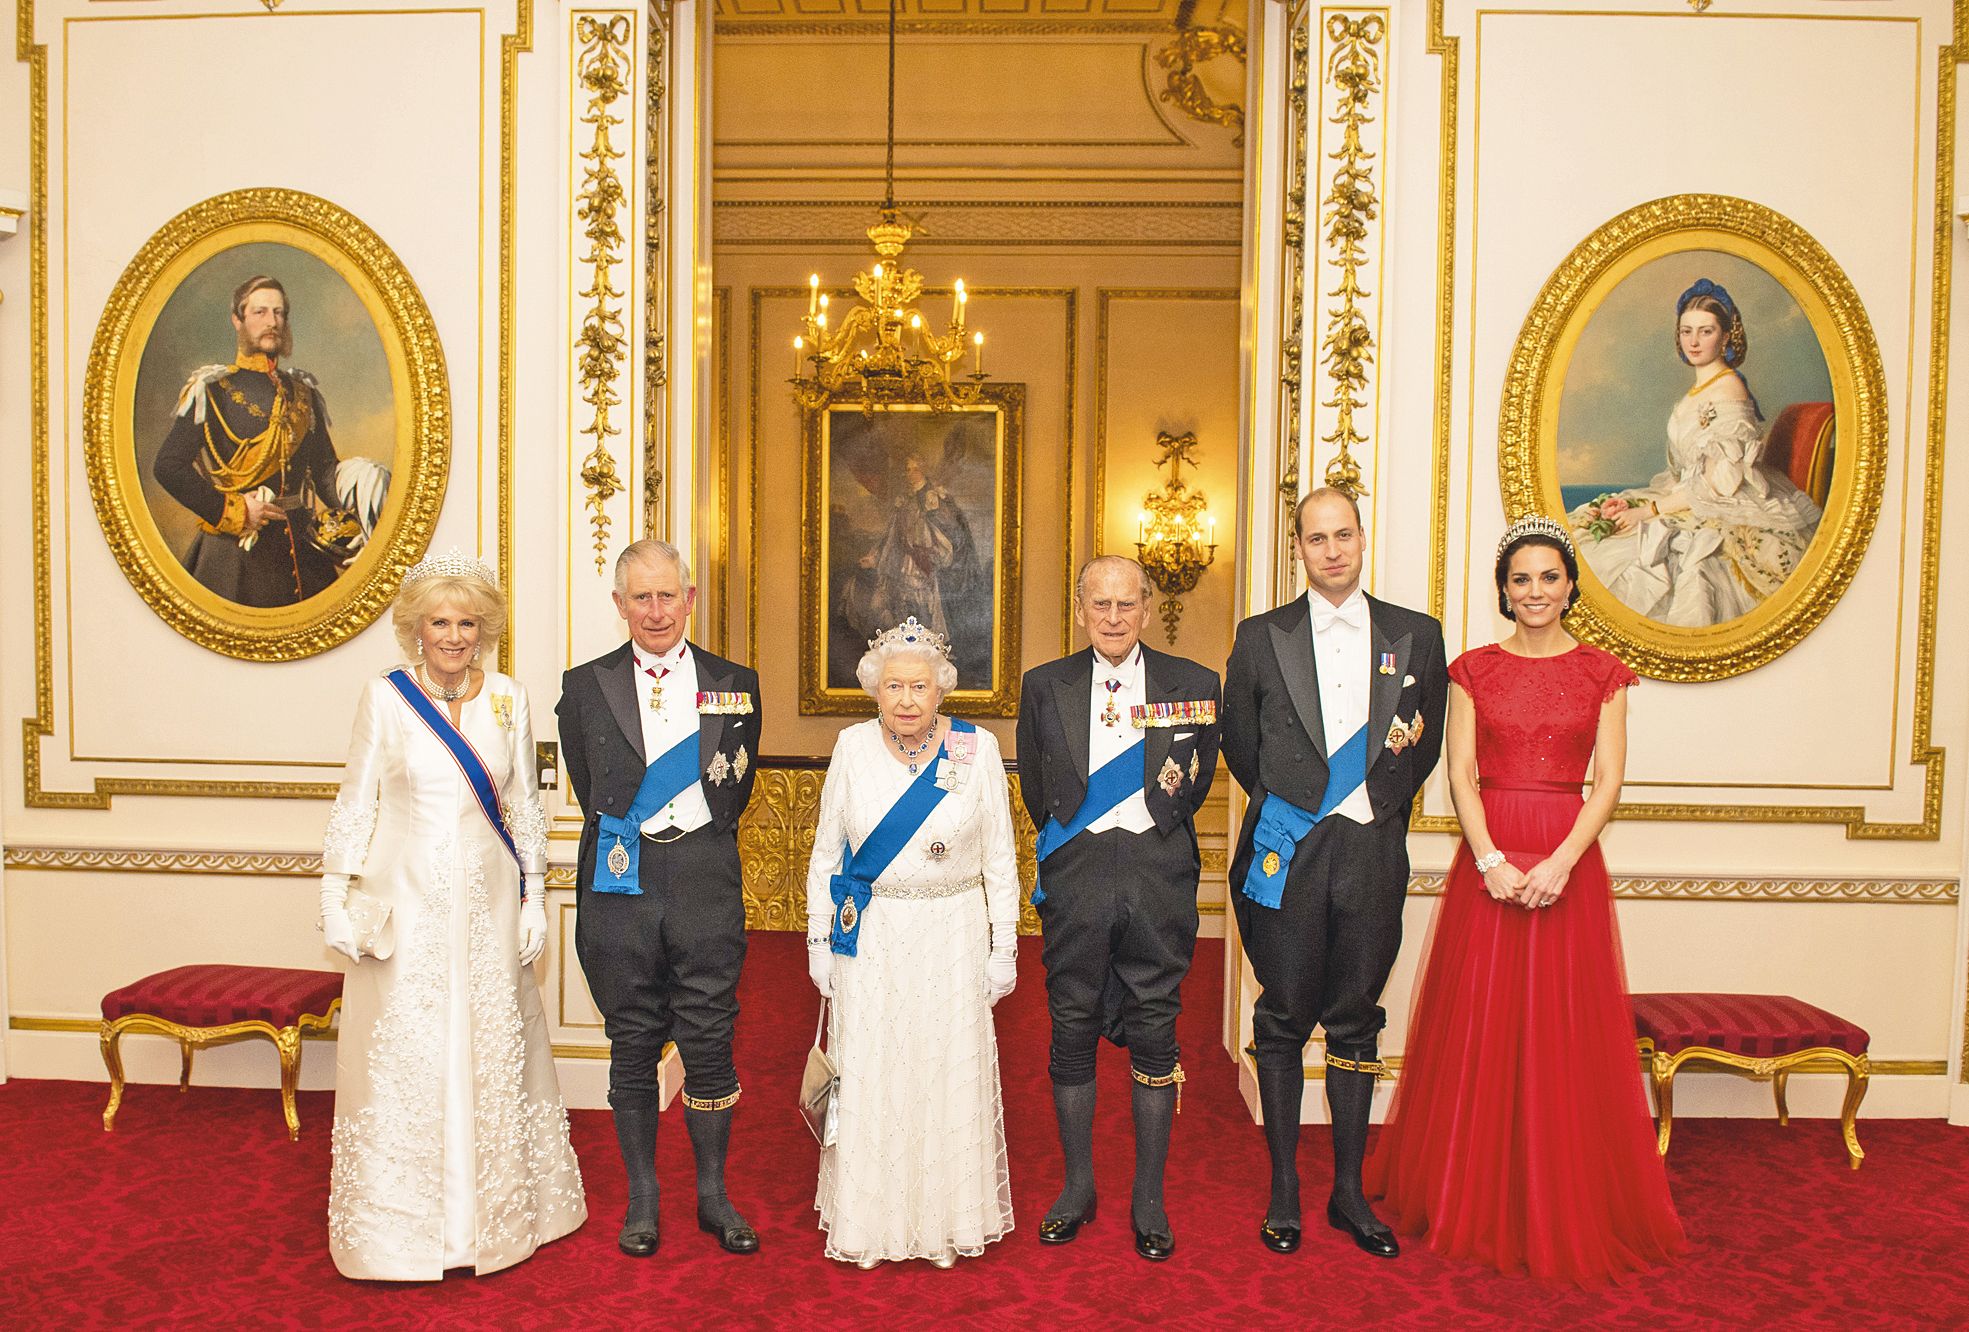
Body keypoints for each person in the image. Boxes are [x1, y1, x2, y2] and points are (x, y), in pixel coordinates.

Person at [1365, 516, 1687, 1283]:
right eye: (1520, 579)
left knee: (1562, 1029)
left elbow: (1607, 782)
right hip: (1492, 859)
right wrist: (1489, 859)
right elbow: (1459, 774)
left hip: (1566, 861)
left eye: (1548, 577)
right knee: (1481, 1023)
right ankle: (1470, 1190)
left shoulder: (1604, 674)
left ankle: (1558, 1195)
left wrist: (1561, 864)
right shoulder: (1471, 670)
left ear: (1570, 586)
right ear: (1503, 592)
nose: (1535, 591)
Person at [318, 549, 585, 1280]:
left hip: (491, 898)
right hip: (407, 900)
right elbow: (356, 800)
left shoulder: (508, 698)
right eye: (440, 622)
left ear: (484, 629)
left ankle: (496, 1221)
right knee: (411, 1054)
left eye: (467, 623)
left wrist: (535, 896)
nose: (454, 636)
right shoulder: (386, 698)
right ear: (417, 628)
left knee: (492, 1047)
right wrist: (334, 896)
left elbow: (523, 805)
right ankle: (403, 1232)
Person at [1223, 487, 1448, 1259]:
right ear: (1298, 548)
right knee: (1283, 1014)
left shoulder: (1417, 635)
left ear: (1361, 538)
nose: (1331, 550)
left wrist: (1373, 809)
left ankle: (1348, 1191)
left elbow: (1423, 745)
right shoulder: (1260, 636)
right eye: (1315, 538)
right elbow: (1240, 744)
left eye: (1342, 535)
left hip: (1370, 849)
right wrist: (1297, 805)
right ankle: (1284, 1188)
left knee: (1355, 1016)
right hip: (1287, 847)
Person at [557, 539, 762, 1259]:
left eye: (666, 595)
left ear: (689, 599)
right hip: (622, 884)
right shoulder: (583, 686)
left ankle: (713, 1196)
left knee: (709, 1040)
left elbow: (735, 786)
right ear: (620, 605)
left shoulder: (736, 683)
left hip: (704, 879)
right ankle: (642, 1199)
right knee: (633, 1040)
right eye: (640, 597)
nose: (655, 610)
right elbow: (589, 784)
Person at [1014, 555, 1221, 1262]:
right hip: (1077, 877)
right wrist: (1081, 853)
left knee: (1157, 1030)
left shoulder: (1195, 684)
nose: (1112, 617)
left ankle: (1149, 1199)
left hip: (1158, 875)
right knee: (1071, 1025)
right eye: (1099, 604)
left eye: (1125, 604)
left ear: (1146, 609)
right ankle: (1077, 1189)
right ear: (1079, 611)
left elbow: (1194, 783)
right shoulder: (1044, 685)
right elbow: (1037, 785)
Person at [803, 616, 1019, 1268]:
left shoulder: (976, 748)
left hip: (953, 932)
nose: (905, 699)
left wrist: (1003, 946)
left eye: (918, 686)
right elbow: (826, 854)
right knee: (875, 1073)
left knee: (945, 1070)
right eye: (893, 686)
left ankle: (946, 1223)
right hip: (873, 935)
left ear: (940, 689)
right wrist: (818, 940)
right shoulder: (851, 747)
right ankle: (871, 1225)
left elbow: (1000, 858)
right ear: (874, 688)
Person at [1568, 277, 1822, 627]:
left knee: (1636, 561)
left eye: (1706, 331)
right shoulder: (1699, 390)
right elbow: (1685, 474)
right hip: (1691, 496)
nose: (1694, 341)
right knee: (1588, 536)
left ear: (1726, 336)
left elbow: (1716, 485)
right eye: (1686, 331)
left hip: (1723, 506)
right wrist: (1643, 505)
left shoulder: (1729, 390)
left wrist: (1650, 511)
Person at [153, 275, 362, 606]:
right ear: (237, 320)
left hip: (305, 554)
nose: (272, 322)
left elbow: (324, 472)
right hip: (235, 556)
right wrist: (234, 511)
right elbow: (168, 467)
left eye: (279, 313)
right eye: (260, 312)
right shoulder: (212, 390)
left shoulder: (304, 394)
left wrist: (363, 491)